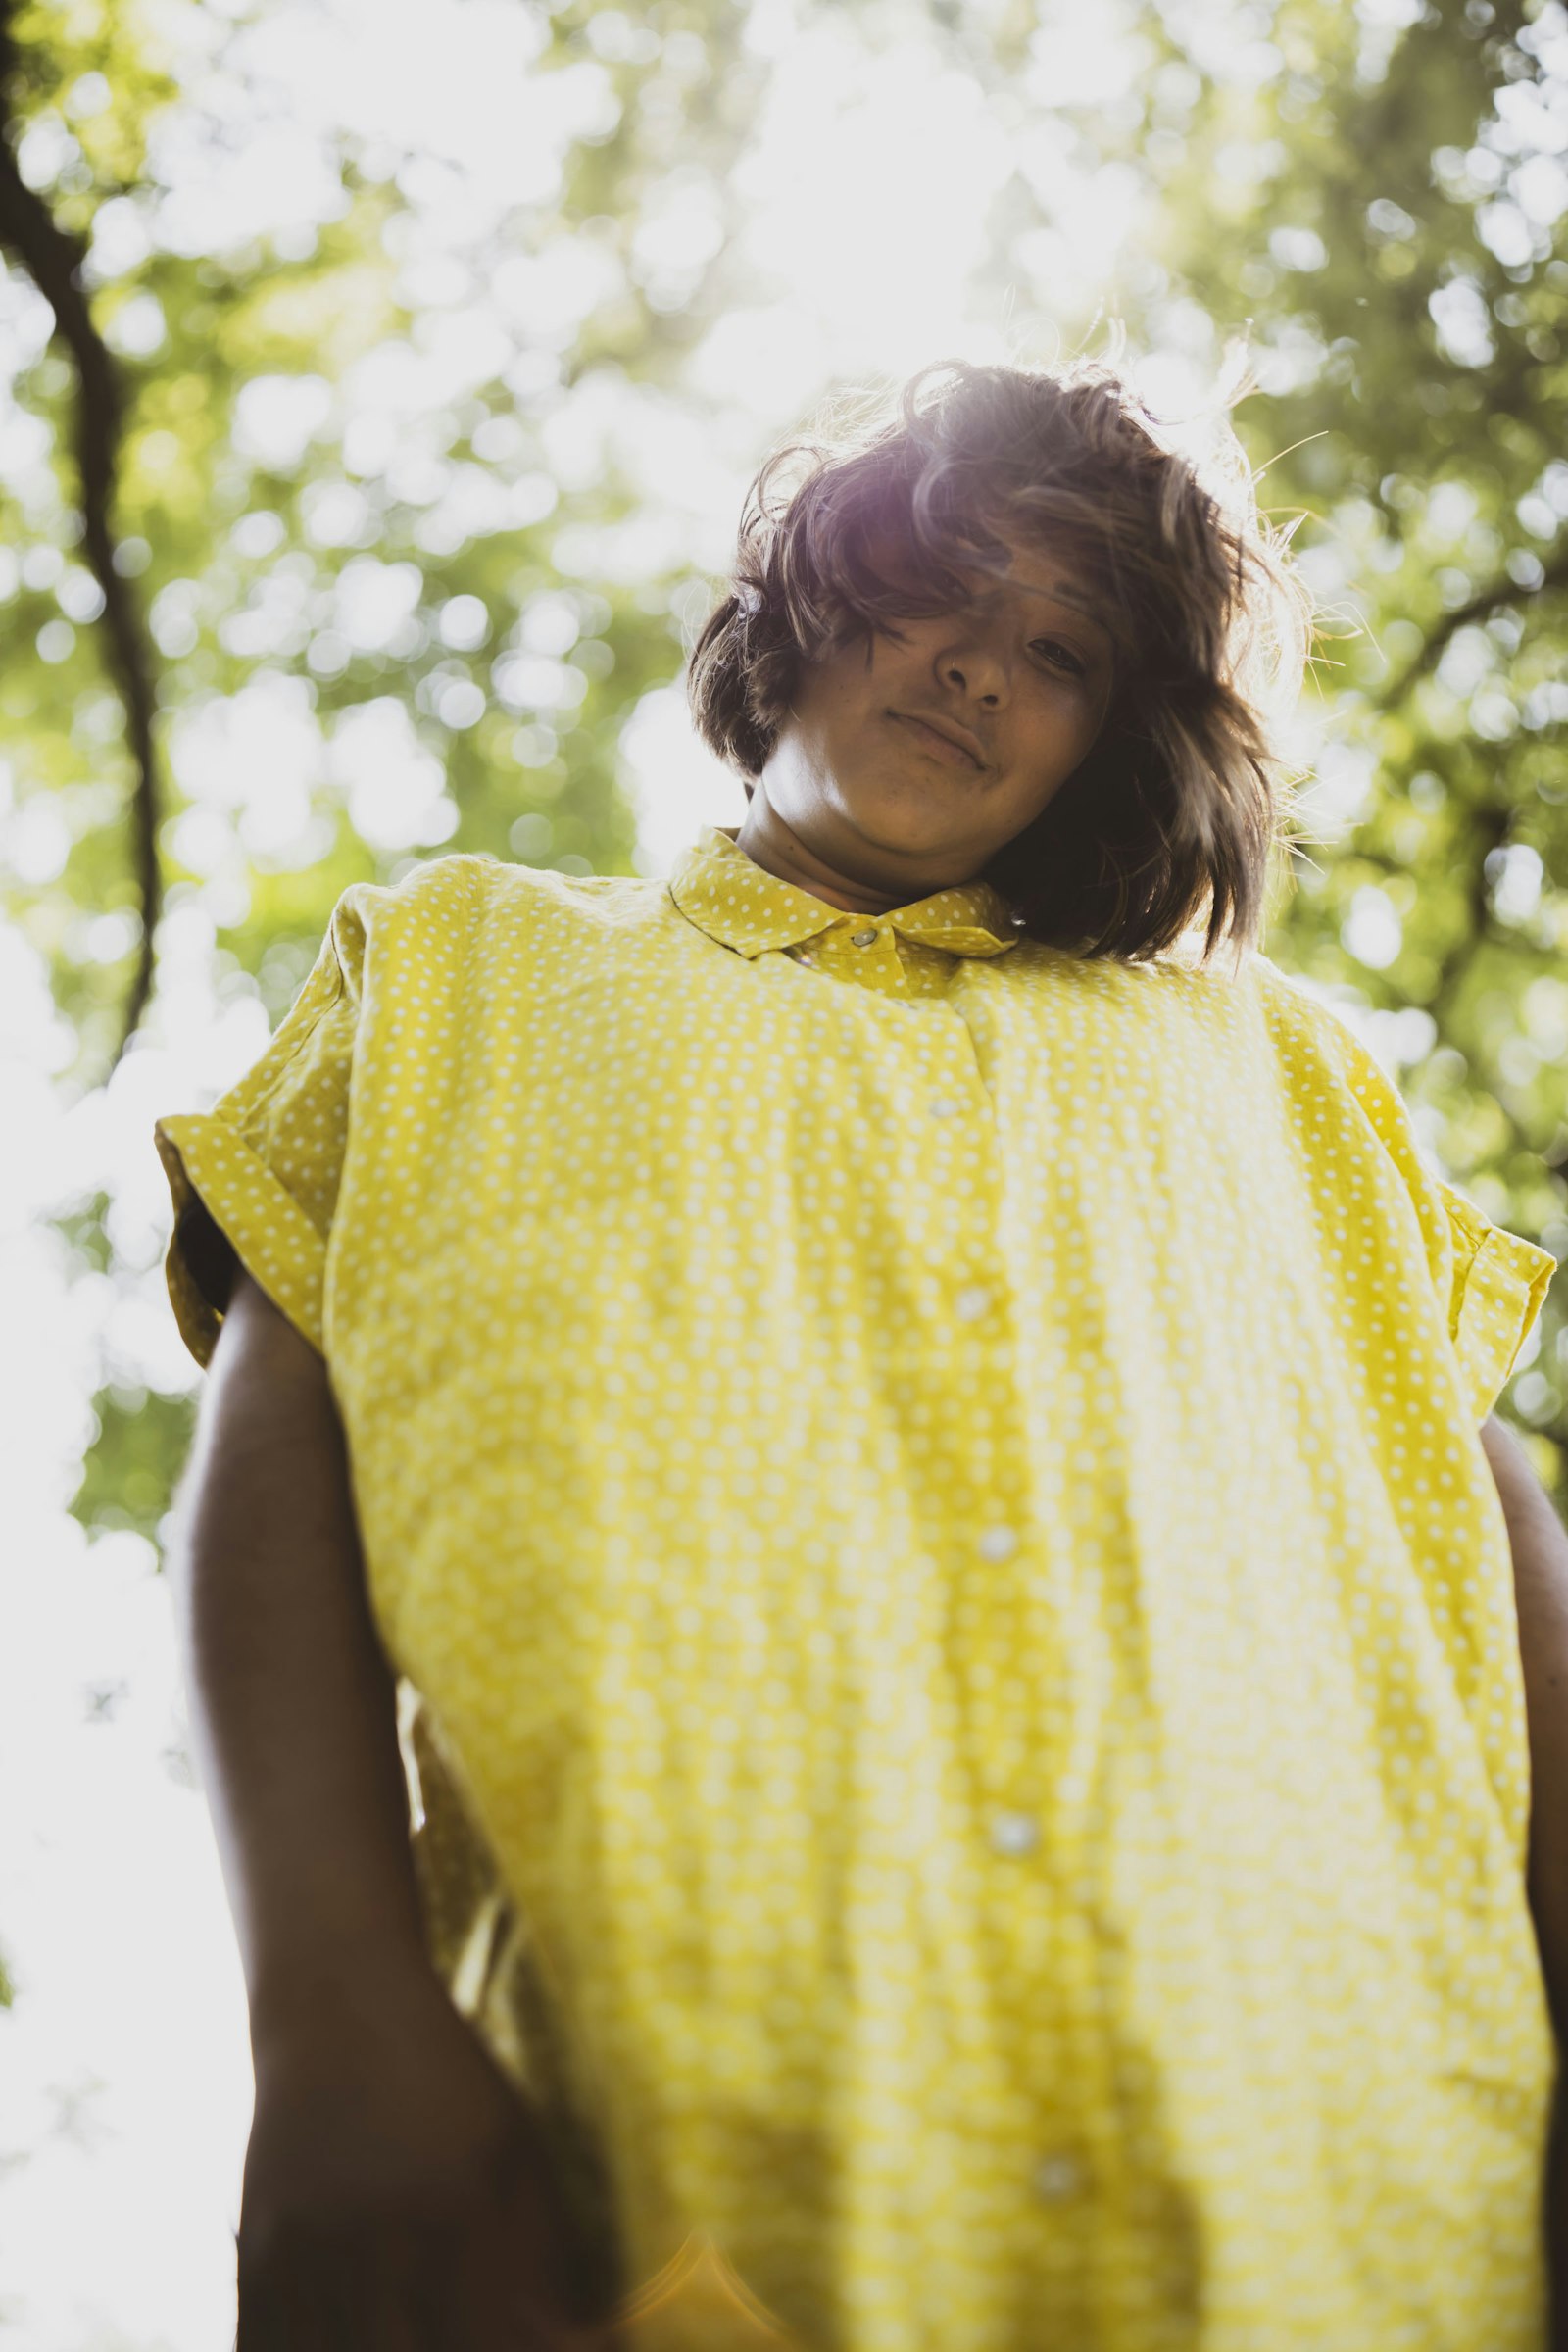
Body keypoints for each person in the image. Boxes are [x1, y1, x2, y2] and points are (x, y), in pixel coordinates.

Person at [155, 356, 1568, 2352]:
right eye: (940, 587)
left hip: (1361, 2215)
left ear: (1116, 739)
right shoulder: (462, 967)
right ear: (807, 602)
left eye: (1060, 646)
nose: (980, 668)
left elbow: (1484, 1533)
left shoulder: (1287, 1068)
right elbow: (272, 1476)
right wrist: (326, 2029)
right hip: (674, 2207)